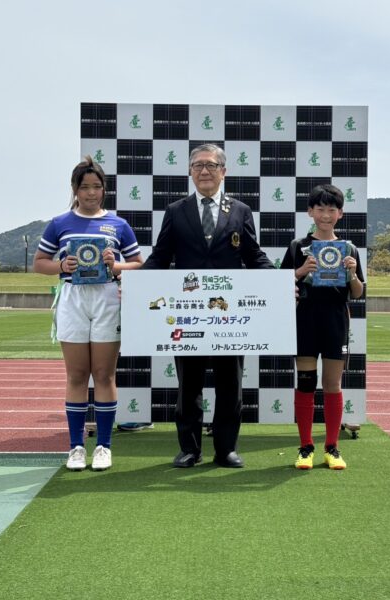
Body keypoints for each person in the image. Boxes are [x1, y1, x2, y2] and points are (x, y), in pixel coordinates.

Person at [144, 143, 274, 468]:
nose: (204, 171)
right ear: (190, 172)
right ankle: (189, 449)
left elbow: (253, 256)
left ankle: (226, 449)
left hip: (228, 316)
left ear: (223, 171)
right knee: (189, 385)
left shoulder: (241, 211)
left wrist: (279, 282)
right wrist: (135, 286)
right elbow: (160, 257)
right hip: (188, 315)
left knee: (230, 384)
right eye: (198, 165)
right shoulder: (176, 211)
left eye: (211, 165)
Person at [33, 156, 143, 471]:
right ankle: (76, 447)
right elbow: (39, 263)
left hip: (107, 297)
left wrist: (115, 265)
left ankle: (104, 446)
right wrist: (61, 265)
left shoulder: (119, 225)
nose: (91, 193)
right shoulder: (60, 223)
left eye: (97, 186)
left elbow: (138, 263)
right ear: (75, 189)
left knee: (104, 374)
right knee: (77, 375)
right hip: (73, 297)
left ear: (104, 189)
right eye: (85, 187)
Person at [281, 184, 364, 470]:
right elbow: (278, 285)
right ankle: (306, 447)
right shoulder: (297, 246)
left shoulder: (349, 249)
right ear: (310, 212)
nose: (326, 215)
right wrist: (301, 271)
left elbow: (357, 293)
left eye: (332, 209)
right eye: (320, 209)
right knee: (305, 382)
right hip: (305, 319)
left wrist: (352, 273)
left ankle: (332, 448)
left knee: (332, 384)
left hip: (335, 320)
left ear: (340, 213)